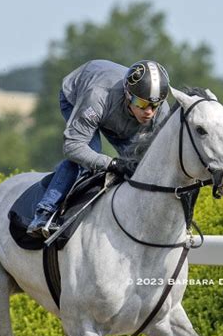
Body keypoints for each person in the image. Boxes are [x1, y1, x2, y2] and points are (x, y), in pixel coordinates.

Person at [27, 59, 171, 237]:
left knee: (138, 165)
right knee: (86, 160)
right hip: (79, 95)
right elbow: (73, 147)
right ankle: (44, 213)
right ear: (127, 94)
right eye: (142, 104)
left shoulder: (161, 109)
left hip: (119, 113)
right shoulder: (97, 96)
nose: (149, 112)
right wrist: (111, 163)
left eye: (154, 105)